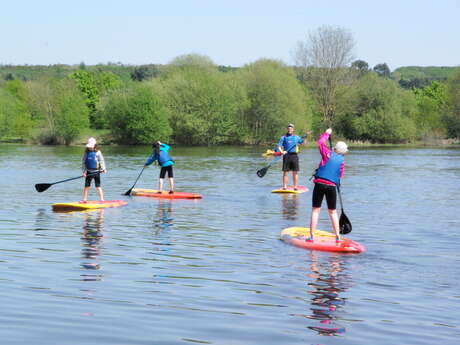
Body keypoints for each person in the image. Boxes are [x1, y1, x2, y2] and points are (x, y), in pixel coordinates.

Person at [307, 128, 348, 243]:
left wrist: (327, 133)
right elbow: (340, 176)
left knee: (316, 210)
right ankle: (338, 237)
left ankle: (311, 236)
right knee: (333, 212)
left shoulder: (327, 154)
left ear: (335, 149)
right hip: (331, 187)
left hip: (319, 184)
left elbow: (320, 142)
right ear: (343, 152)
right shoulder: (342, 161)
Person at [278, 123, 305, 190]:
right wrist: (282, 152)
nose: (290, 129)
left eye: (291, 128)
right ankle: (285, 186)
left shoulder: (297, 137)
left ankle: (295, 186)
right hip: (286, 156)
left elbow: (302, 143)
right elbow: (279, 146)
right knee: (285, 172)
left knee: (295, 172)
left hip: (294, 156)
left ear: (293, 129)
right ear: (287, 129)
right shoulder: (283, 137)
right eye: (289, 128)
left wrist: (304, 138)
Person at [82, 137, 106, 202]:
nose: (90, 148)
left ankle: (102, 199)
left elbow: (101, 161)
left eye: (91, 146)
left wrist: (103, 169)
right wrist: (84, 172)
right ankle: (84, 199)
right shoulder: (86, 153)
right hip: (88, 172)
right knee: (86, 186)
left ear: (95, 145)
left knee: (98, 186)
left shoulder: (98, 152)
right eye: (89, 147)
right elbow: (83, 162)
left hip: (96, 172)